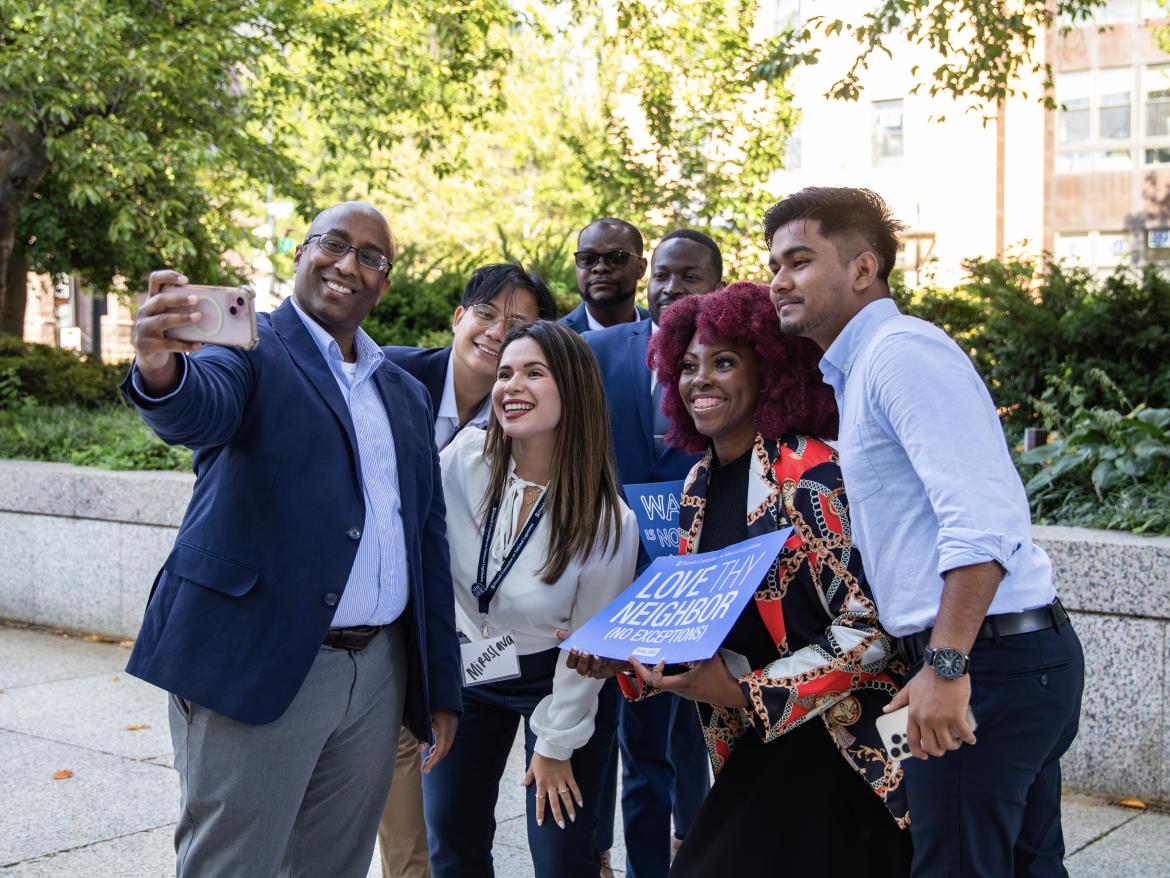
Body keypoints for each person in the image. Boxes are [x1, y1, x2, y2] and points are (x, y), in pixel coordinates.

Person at [120, 201, 462, 877]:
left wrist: (438, 685)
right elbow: (199, 408)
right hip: (259, 656)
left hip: (376, 674)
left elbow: (425, 533)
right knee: (234, 865)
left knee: (332, 866)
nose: (347, 264)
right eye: (333, 244)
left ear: (384, 283)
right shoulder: (249, 349)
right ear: (302, 253)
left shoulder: (402, 390)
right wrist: (160, 367)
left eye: (371, 256)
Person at [765, 186, 1084, 877]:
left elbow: (983, 521)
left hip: (986, 660)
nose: (778, 282)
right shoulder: (863, 366)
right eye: (774, 266)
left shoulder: (899, 352)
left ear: (861, 268)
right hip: (997, 657)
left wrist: (946, 666)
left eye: (799, 261)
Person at [571, 281, 912, 877]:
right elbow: (703, 629)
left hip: (842, 747)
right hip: (755, 745)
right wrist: (627, 660)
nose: (698, 380)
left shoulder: (812, 471)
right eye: (687, 366)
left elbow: (872, 629)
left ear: (771, 374)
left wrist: (747, 693)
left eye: (723, 362)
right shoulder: (696, 487)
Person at [423, 320, 640, 877]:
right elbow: (427, 562)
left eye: (534, 373)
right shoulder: (464, 459)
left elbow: (589, 646)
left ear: (572, 388)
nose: (510, 386)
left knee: (562, 855)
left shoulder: (608, 519)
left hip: (559, 677)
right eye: (504, 373)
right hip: (470, 670)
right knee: (451, 839)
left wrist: (556, 744)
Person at [377, 262, 556, 878]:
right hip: (383, 612)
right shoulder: (385, 374)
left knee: (452, 814)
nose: (496, 333)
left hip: (488, 639)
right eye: (486, 314)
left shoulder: (538, 418)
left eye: (519, 326)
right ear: (459, 318)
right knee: (412, 821)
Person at [582, 229, 723, 878]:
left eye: (688, 276)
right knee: (644, 753)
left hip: (720, 585)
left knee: (711, 741)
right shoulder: (596, 351)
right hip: (630, 589)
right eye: (662, 275)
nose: (670, 288)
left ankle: (704, 847)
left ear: (715, 286)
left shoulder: (738, 360)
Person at [560, 218, 650, 332]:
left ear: (641, 268)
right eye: (587, 258)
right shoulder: (552, 341)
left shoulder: (661, 331)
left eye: (616, 258)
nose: (600, 268)